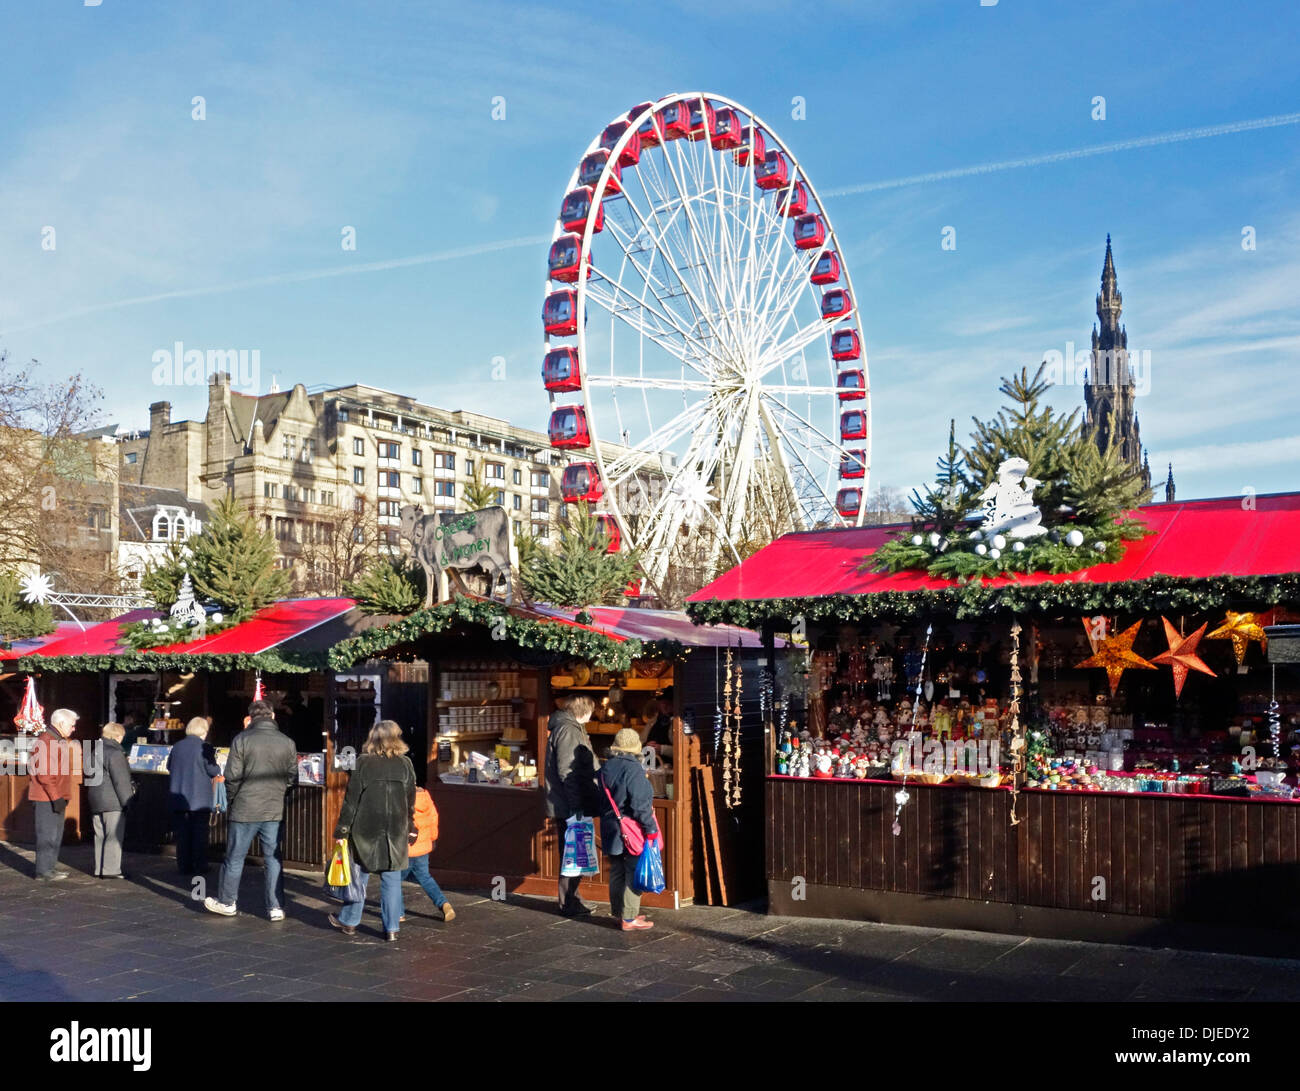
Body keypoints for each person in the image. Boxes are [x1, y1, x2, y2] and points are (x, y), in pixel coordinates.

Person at [203, 700, 297, 921]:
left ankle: (227, 902)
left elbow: (232, 776)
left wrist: (233, 799)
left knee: (235, 857)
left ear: (250, 718)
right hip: (274, 808)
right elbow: (292, 777)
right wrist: (280, 794)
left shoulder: (242, 739)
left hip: (245, 808)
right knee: (273, 859)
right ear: (272, 716)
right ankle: (275, 906)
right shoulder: (287, 742)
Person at [329, 720, 416, 942]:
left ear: (373, 738)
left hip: (365, 828)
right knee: (392, 878)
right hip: (395, 829)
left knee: (359, 875)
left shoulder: (364, 762)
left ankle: (349, 921)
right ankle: (392, 927)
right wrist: (410, 825)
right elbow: (410, 799)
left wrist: (342, 830)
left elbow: (351, 801)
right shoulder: (405, 764)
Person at [597, 728, 660, 932]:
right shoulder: (633, 769)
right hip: (631, 828)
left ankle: (619, 912)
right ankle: (630, 918)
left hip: (611, 827)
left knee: (616, 870)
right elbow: (640, 805)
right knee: (634, 871)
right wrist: (650, 829)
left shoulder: (606, 767)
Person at [544, 694, 600, 917]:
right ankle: (568, 902)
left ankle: (572, 897)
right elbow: (568, 770)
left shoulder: (568, 728)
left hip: (568, 801)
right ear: (584, 711)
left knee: (575, 852)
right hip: (569, 804)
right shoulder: (569, 730)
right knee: (572, 853)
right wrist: (576, 805)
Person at [28, 708, 79, 881]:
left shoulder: (57, 740)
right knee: (47, 835)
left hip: (56, 795)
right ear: (61, 723)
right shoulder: (47, 741)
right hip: (47, 797)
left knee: (55, 834)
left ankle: (49, 868)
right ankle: (43, 871)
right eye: (72, 725)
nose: (74, 729)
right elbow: (45, 775)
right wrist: (56, 796)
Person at [168, 717, 222, 876]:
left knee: (183, 834)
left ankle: (184, 866)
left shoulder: (177, 746)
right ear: (203, 731)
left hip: (178, 797)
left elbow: (169, 766)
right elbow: (213, 771)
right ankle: (200, 865)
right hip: (199, 799)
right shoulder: (205, 747)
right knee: (199, 834)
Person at [86, 722, 135, 879]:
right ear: (118, 736)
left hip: (96, 799)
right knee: (113, 835)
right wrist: (127, 802)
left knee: (99, 835)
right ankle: (111, 870)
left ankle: (99, 868)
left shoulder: (95, 751)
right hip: (112, 800)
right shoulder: (115, 753)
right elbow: (121, 781)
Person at [399, 785, 455, 922]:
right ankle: (444, 904)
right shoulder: (425, 795)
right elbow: (433, 818)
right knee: (425, 877)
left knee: (395, 881)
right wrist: (433, 838)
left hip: (406, 849)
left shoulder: (401, 797)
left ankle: (398, 912)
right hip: (423, 846)